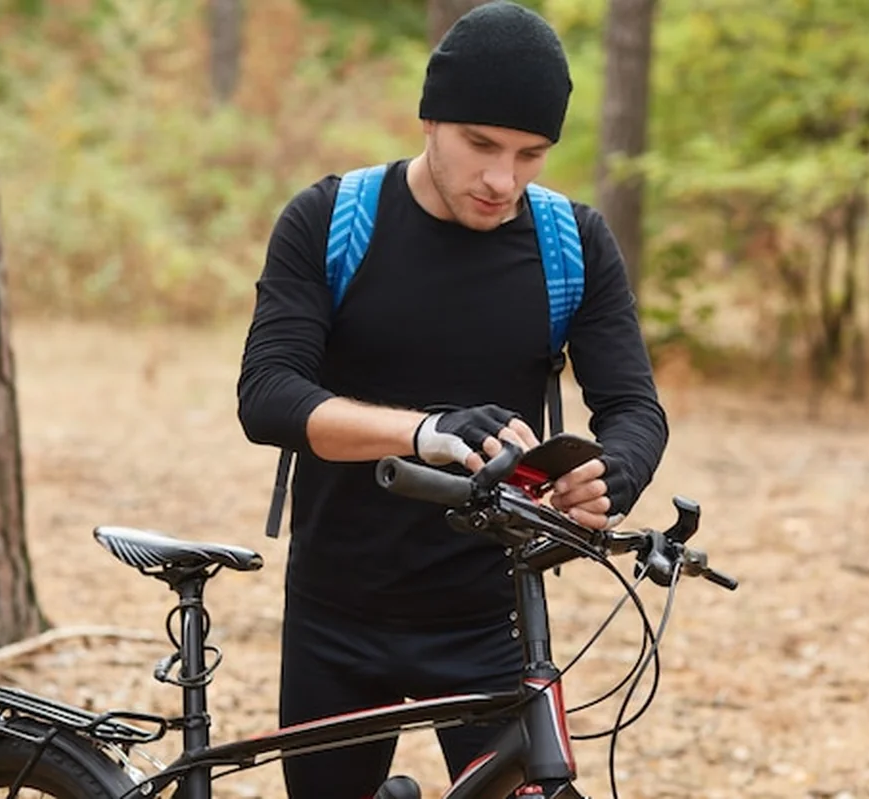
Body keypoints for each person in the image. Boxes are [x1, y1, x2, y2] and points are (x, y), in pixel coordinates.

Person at [236, 2, 669, 796]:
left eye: (530, 154)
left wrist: (610, 476)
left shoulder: (571, 243)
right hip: (338, 609)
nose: (503, 179)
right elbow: (269, 395)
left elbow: (635, 409)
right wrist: (426, 431)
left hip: (491, 611)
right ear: (431, 119)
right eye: (480, 144)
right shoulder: (331, 220)